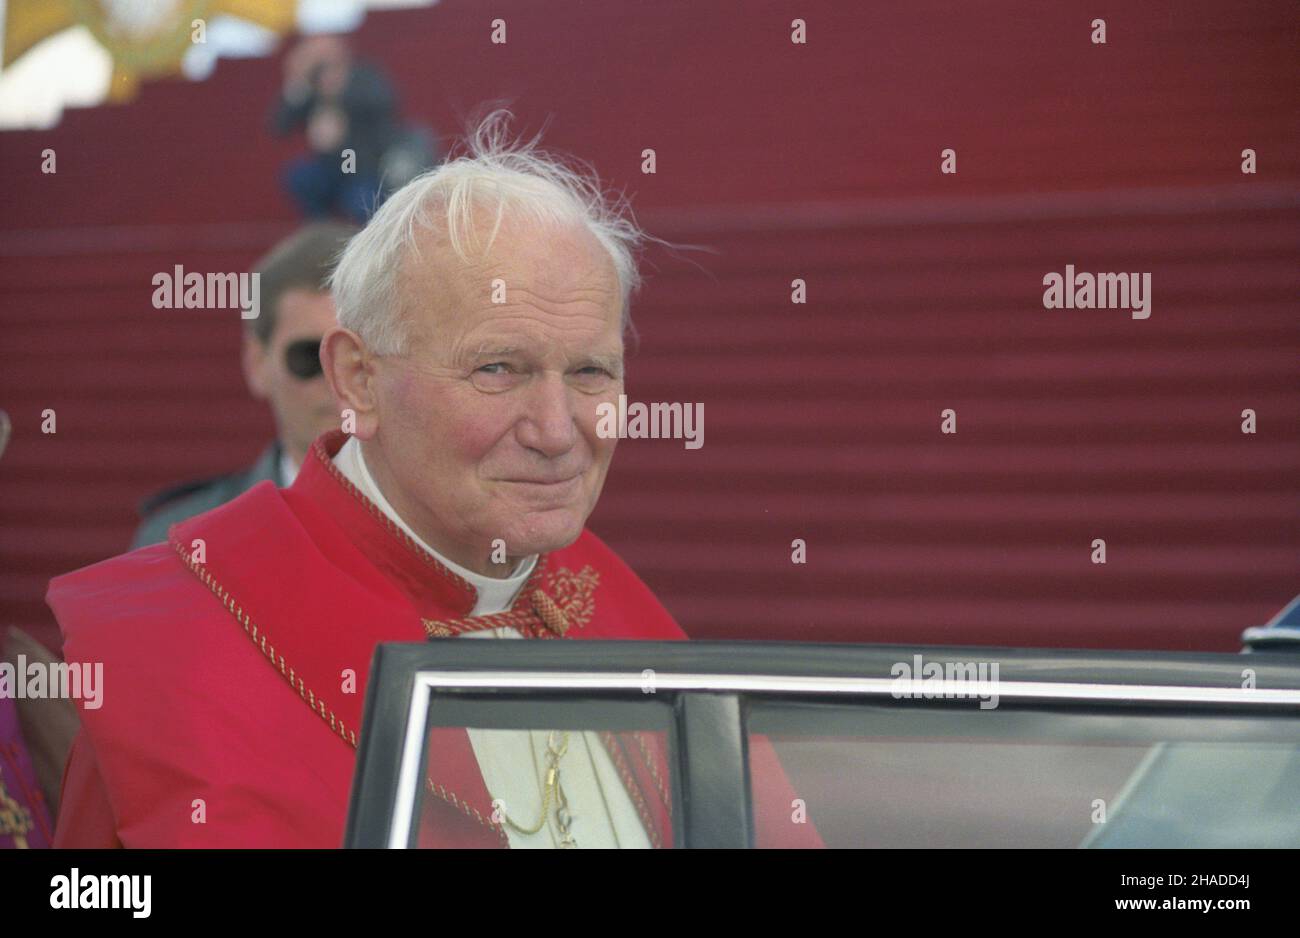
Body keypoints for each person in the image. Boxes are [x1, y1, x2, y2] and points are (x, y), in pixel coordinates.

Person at [48, 111, 822, 848]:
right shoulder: (175, 647)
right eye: (497, 369)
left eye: (591, 372)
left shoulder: (613, 603)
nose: (558, 432)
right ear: (357, 378)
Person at [132, 223, 356, 548]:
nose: (338, 382)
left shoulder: (452, 534)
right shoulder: (176, 544)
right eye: (309, 356)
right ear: (257, 364)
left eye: (357, 358)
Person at [271, 35, 400, 223]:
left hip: (360, 162)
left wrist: (338, 91)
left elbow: (384, 103)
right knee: (301, 177)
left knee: (360, 198)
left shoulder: (364, 75)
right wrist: (298, 81)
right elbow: (280, 126)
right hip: (329, 164)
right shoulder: (311, 86)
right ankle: (321, 230)